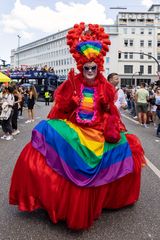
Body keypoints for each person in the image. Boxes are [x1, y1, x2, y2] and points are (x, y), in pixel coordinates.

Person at [9, 23, 146, 230]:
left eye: (93, 68)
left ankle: (106, 199)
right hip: (76, 130)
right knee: (44, 135)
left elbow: (112, 114)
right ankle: (55, 200)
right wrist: (70, 102)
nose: (90, 71)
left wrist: (110, 117)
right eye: (86, 68)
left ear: (98, 68)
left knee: (127, 148)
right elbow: (59, 111)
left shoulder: (106, 88)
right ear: (81, 67)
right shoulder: (71, 84)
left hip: (97, 132)